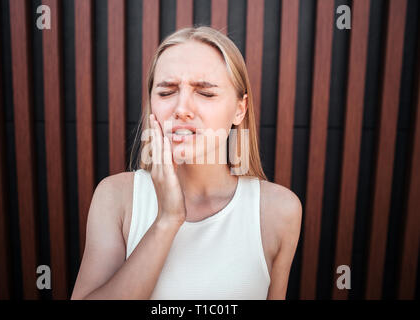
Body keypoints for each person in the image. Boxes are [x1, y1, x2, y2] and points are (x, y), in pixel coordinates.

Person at [71, 26, 302, 300]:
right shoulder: (115, 197)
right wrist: (167, 220)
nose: (181, 109)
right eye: (167, 92)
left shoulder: (279, 211)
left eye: (205, 93)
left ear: (240, 109)